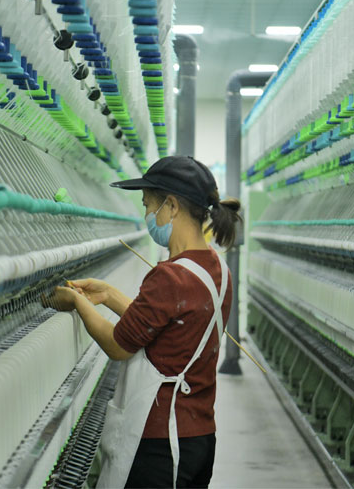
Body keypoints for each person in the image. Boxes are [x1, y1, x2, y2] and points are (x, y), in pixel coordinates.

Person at [47, 155, 242, 489]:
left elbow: (118, 345)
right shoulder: (217, 268)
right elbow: (167, 326)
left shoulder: (170, 276)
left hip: (162, 442)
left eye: (148, 204)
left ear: (172, 206)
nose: (147, 214)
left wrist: (76, 302)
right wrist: (108, 295)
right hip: (199, 437)